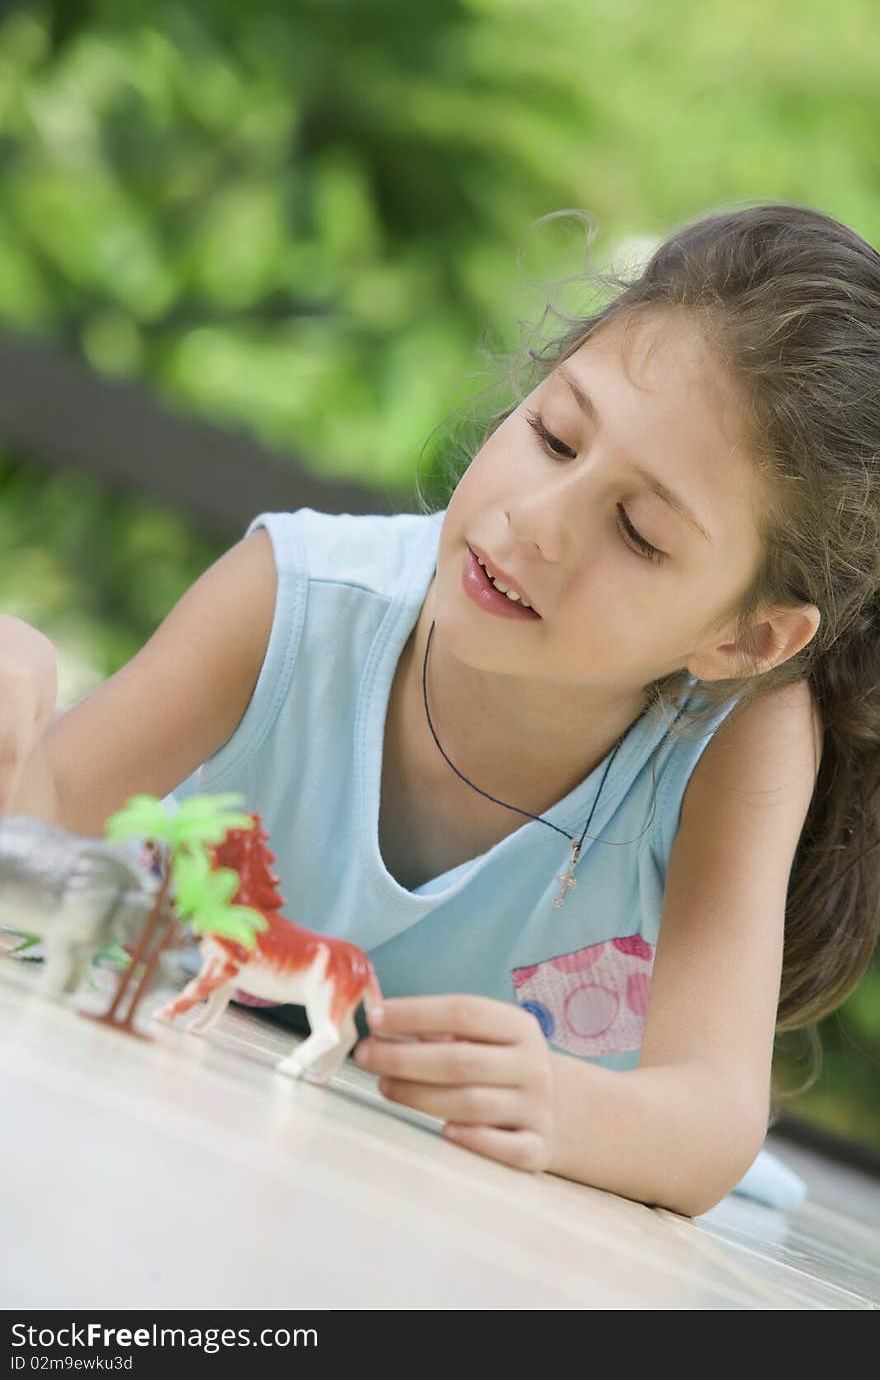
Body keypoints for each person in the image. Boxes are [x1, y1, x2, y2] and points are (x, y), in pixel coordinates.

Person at [3, 202, 878, 1219]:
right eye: (554, 437)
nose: (535, 521)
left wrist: (560, 1103)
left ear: (745, 640)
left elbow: (711, 1118)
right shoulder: (295, 597)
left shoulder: (738, 733)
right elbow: (42, 812)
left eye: (637, 532)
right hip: (162, 1123)